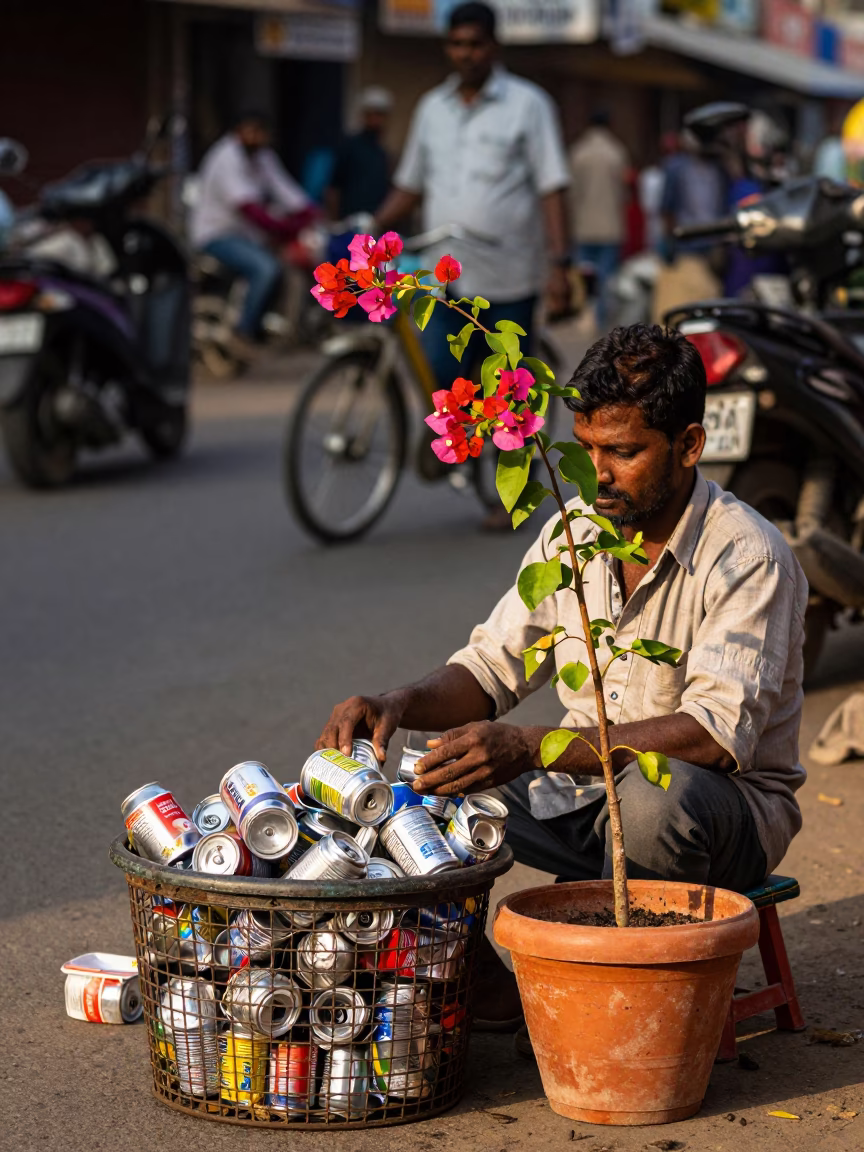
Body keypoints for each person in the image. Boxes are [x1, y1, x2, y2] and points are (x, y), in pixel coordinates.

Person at [317, 323, 807, 1049]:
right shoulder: (575, 531)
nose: (597, 473)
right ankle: (480, 982)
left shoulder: (747, 554)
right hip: (581, 793)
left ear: (690, 445)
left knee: (650, 798)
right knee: (412, 794)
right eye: (585, 451)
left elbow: (709, 735)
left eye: (624, 452)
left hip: (715, 814)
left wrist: (531, 745)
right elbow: (489, 671)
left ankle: (634, 1009)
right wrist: (399, 703)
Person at [373, 0, 572, 392]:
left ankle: (509, 453)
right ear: (447, 47)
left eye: (475, 44)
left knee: (507, 396)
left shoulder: (528, 105)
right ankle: (453, 453)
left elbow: (552, 186)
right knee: (442, 383)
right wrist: (373, 227)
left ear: (494, 46)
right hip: (445, 279)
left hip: (509, 275)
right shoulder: (432, 108)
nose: (466, 54)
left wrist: (561, 264)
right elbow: (410, 185)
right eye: (457, 44)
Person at [190, 110, 315, 356]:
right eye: (250, 131)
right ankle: (244, 330)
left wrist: (310, 213)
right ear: (237, 132)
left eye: (260, 132)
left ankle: (275, 325)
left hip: (247, 235)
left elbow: (287, 191)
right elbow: (250, 209)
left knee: (288, 264)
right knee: (265, 268)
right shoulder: (225, 157)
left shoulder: (263, 157)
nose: (255, 137)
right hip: (217, 235)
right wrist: (285, 228)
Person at [569, 110, 629, 328]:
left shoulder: (579, 152)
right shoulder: (616, 152)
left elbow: (572, 193)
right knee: (605, 277)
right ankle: (601, 319)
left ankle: (584, 315)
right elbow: (624, 192)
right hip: (610, 225)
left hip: (584, 225)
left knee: (583, 276)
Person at [327, 87, 394, 220]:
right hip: (350, 221)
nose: (375, 120)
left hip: (375, 223)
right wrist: (334, 223)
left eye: (379, 115)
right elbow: (334, 188)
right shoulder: (349, 146)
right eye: (371, 114)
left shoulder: (383, 153)